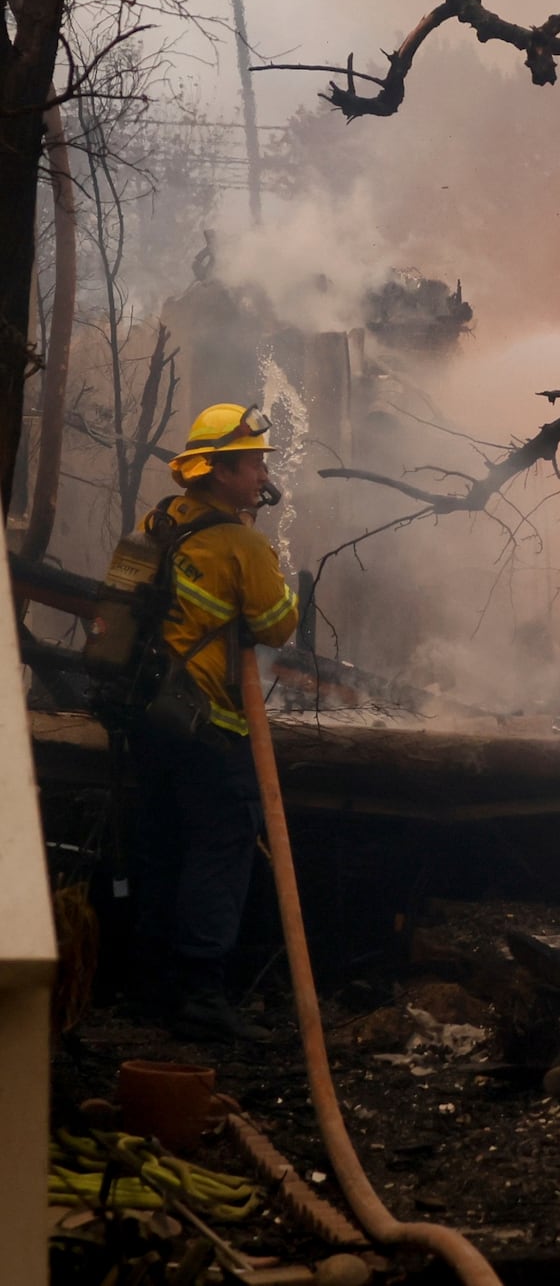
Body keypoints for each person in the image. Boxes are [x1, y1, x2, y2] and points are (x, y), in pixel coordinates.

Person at [133, 404, 299, 1042]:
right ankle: (203, 995)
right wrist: (269, 559)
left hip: (148, 713)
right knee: (222, 845)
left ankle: (153, 988)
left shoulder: (163, 520)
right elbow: (278, 624)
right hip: (208, 725)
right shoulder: (242, 543)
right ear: (221, 470)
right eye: (253, 460)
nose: (261, 471)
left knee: (162, 841)